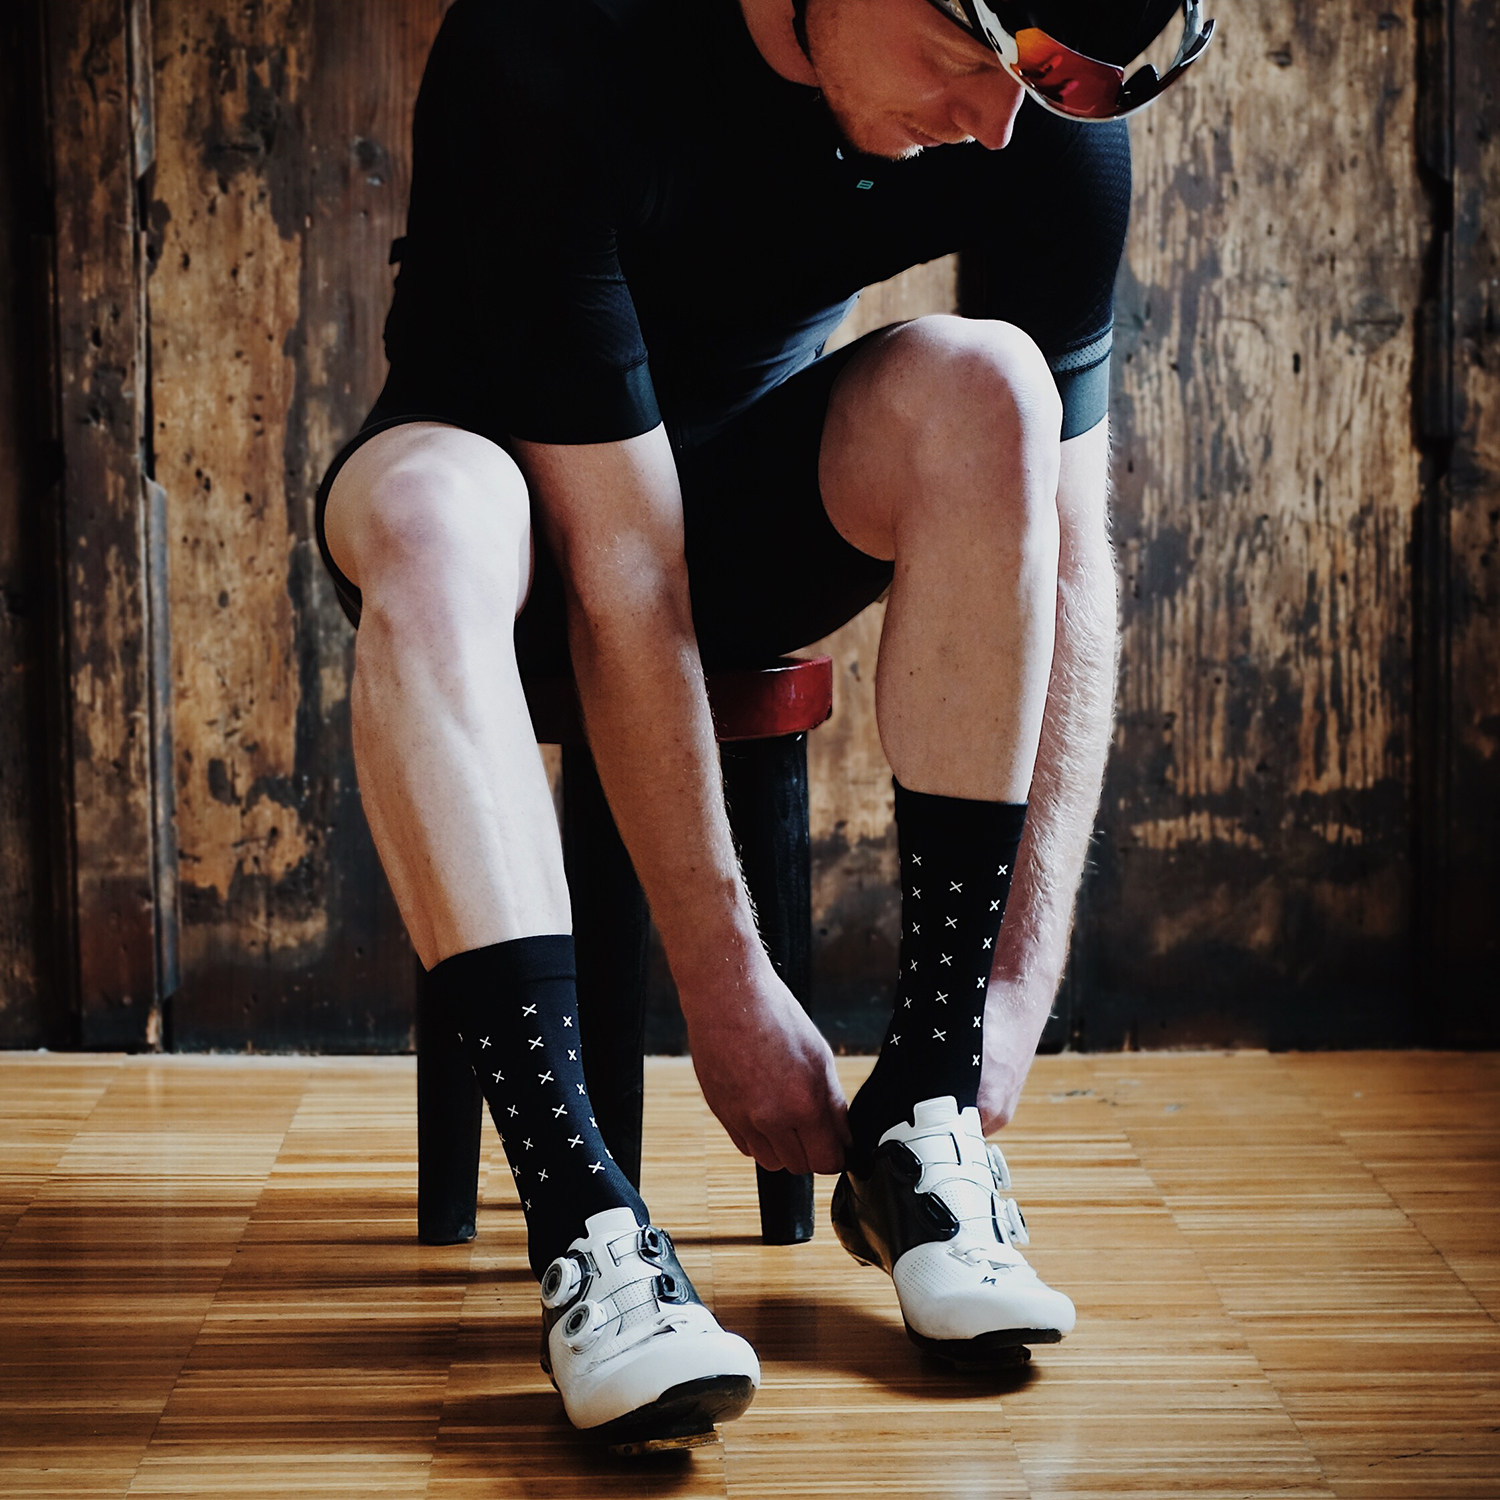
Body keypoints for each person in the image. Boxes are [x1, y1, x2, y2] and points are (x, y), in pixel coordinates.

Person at [314, 0, 1214, 1451]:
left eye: (1031, 85)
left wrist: (1014, 989)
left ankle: (924, 1121)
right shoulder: (550, 51)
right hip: (490, 495)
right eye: (963, 66)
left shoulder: (1039, 118)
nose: (999, 124)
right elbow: (622, 575)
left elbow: (1073, 550)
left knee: (998, 390)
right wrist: (725, 985)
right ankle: (589, 1233)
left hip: (733, 491)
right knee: (428, 521)